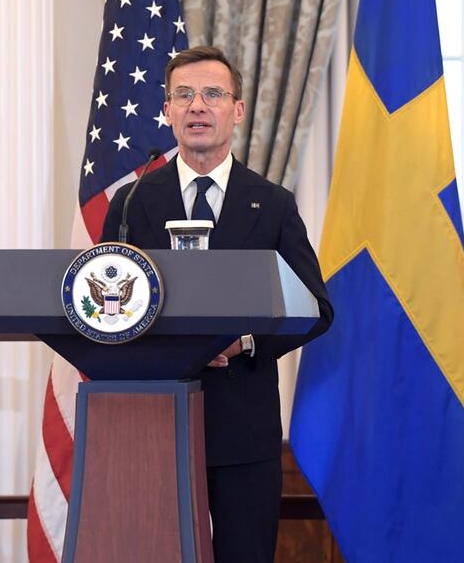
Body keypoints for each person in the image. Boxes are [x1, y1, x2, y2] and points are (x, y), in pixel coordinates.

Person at [100, 45, 333, 562]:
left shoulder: (271, 202)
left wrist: (246, 340)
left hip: (242, 425)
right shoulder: (133, 202)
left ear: (238, 109)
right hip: (154, 424)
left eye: (212, 94)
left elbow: (316, 307)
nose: (197, 106)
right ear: (166, 110)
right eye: (183, 95)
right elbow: (108, 306)